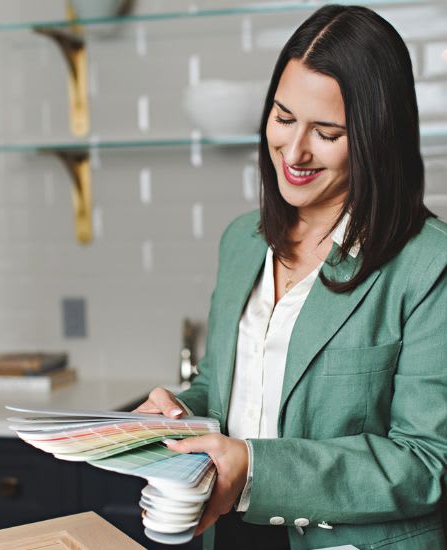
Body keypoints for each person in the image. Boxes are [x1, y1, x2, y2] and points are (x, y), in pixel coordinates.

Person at [136, 4, 447, 549]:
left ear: (376, 139)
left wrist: (254, 469)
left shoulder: (426, 264)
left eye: (326, 132)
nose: (294, 152)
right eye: (283, 119)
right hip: (227, 537)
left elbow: (426, 462)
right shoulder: (242, 241)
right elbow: (226, 390)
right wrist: (178, 415)